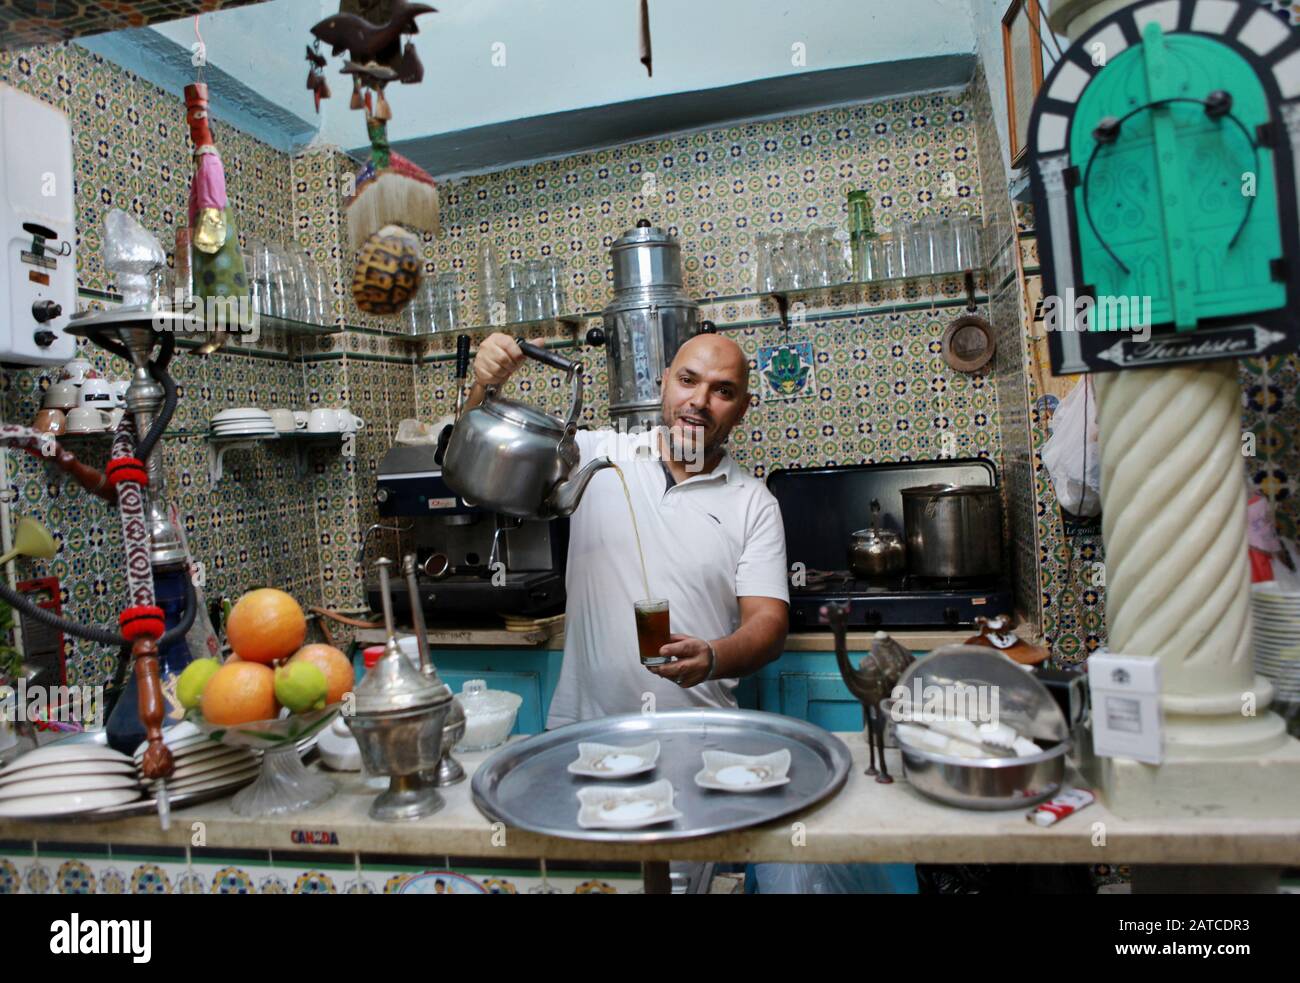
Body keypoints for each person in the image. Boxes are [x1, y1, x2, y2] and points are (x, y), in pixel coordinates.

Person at [466, 332, 789, 726]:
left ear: (742, 409)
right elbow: (473, 462)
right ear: (664, 382)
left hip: (700, 732)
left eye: (722, 391)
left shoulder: (754, 504)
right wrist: (485, 384)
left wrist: (715, 656)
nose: (699, 402)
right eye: (688, 381)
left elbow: (768, 624)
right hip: (586, 732)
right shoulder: (594, 455)